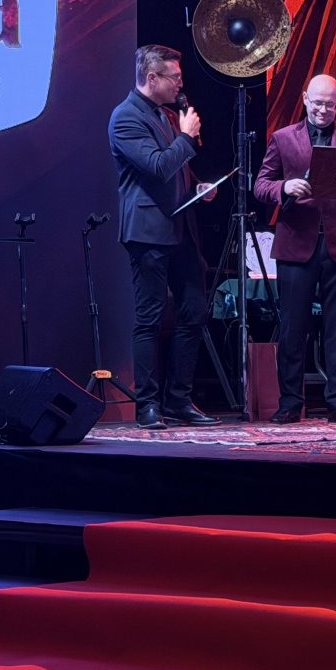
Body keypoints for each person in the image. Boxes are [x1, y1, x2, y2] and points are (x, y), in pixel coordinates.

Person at [253, 73, 336, 424]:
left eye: (329, 104)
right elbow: (261, 185)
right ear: (305, 99)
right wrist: (284, 188)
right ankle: (290, 402)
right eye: (317, 103)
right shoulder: (283, 138)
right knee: (293, 329)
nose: (323, 110)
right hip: (297, 243)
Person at [109, 44, 220, 430]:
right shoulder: (125, 117)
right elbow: (157, 166)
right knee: (151, 318)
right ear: (152, 78)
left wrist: (198, 186)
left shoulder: (166, 114)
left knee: (194, 310)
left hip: (181, 228)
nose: (179, 84)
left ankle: (179, 399)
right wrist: (186, 137)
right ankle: (147, 405)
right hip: (148, 231)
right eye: (174, 77)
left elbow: (176, 170)